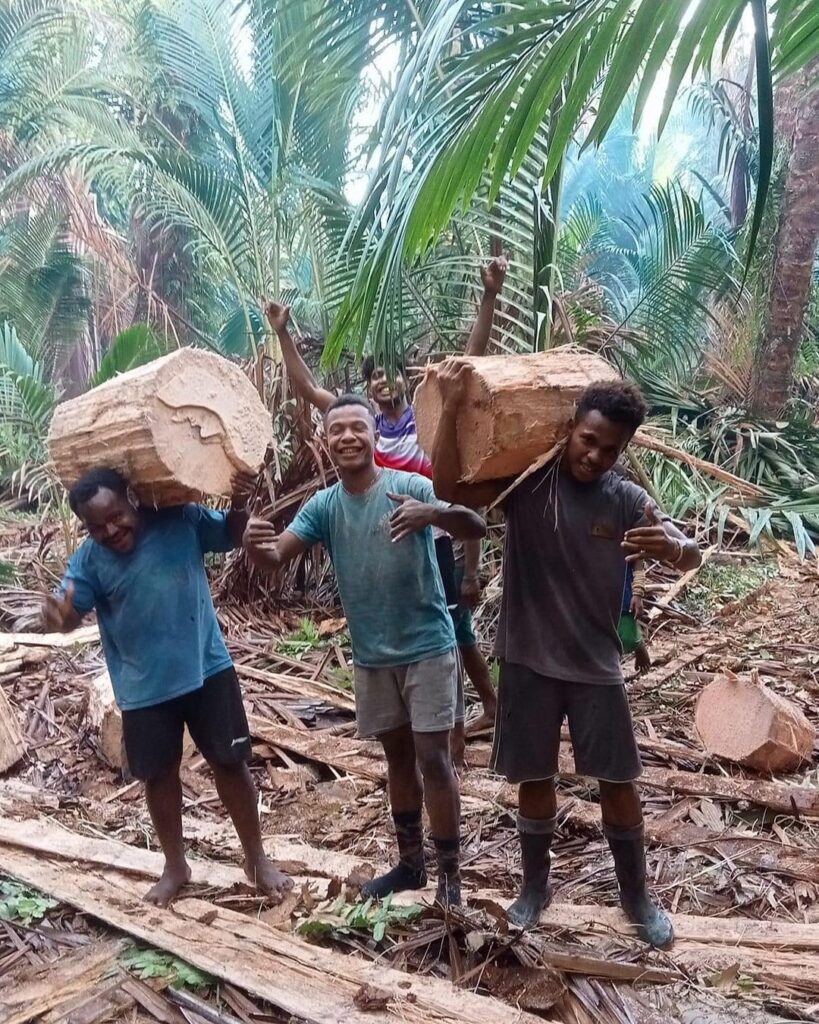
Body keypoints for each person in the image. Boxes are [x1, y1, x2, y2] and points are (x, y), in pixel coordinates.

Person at [430, 365, 702, 945]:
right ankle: (535, 888)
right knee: (535, 775)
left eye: (610, 449)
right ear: (571, 426)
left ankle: (637, 898)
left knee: (618, 780)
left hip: (596, 663)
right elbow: (450, 491)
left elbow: (691, 551)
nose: (595, 456)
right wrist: (452, 408)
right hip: (528, 657)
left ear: (623, 449)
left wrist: (675, 548)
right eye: (588, 440)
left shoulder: (626, 499)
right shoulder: (528, 484)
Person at [242, 395, 486, 905]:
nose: (348, 438)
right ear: (326, 440)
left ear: (375, 434)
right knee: (397, 760)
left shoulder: (408, 487)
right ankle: (410, 865)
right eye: (337, 431)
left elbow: (474, 524)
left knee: (434, 760)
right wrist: (253, 542)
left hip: (428, 648)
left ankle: (450, 878)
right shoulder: (325, 505)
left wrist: (433, 512)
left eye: (358, 428)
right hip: (373, 657)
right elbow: (275, 558)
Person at [265, 258, 506, 736]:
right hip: (386, 533)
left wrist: (489, 297)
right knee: (441, 634)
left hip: (436, 531)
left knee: (452, 630)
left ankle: (469, 720)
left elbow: (467, 363)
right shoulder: (357, 420)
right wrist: (283, 334)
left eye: (389, 374)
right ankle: (453, 723)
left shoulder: (423, 413)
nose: (381, 382)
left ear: (404, 378)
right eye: (373, 376)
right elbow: (307, 387)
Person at [40, 467, 292, 908]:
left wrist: (238, 505)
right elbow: (66, 616)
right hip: (143, 688)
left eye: (115, 516)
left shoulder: (181, 519)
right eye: (95, 526)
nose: (109, 530)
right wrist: (56, 618)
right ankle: (176, 866)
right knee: (158, 776)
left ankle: (256, 860)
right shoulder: (88, 561)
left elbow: (232, 533)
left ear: (132, 498)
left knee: (230, 764)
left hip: (207, 668)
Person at [619, 559, 652, 674]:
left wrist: (638, 592)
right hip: (590, 594)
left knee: (628, 637)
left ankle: (638, 644)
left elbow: (638, 561)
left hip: (622, 593)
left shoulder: (627, 540)